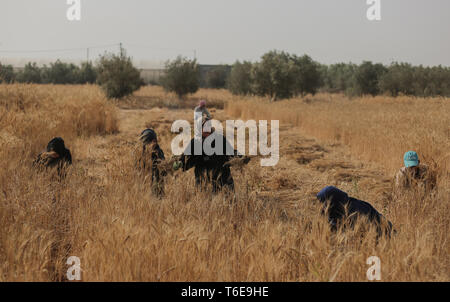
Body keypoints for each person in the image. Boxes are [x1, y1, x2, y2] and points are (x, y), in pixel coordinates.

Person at [180, 124, 246, 193]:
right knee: (206, 201)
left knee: (229, 200)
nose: (207, 130)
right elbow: (185, 159)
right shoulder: (195, 143)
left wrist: (241, 158)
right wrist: (178, 163)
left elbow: (231, 152)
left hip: (223, 178)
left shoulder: (220, 140)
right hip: (204, 181)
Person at [316, 186, 393, 238]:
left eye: (323, 202)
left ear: (332, 201)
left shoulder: (355, 211)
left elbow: (359, 235)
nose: (322, 206)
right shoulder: (339, 205)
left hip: (385, 236)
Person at [138, 129, 166, 197]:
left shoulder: (158, 152)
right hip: (143, 188)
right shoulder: (140, 153)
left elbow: (163, 171)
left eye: (154, 142)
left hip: (156, 188)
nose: (154, 143)